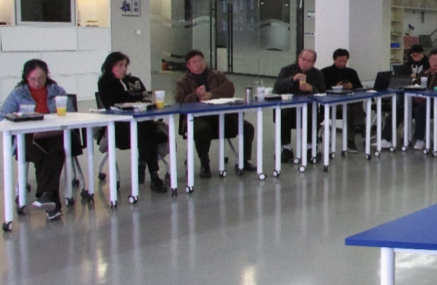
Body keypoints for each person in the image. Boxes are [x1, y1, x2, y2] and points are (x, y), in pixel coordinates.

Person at [1, 59, 73, 220]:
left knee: (56, 151)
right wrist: (18, 118)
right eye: (32, 79)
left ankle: (47, 198)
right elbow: (2, 117)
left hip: (54, 133)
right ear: (26, 77)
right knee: (44, 155)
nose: (37, 82)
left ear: (47, 75)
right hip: (28, 136)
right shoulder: (18, 93)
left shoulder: (57, 91)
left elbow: (71, 113)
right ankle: (50, 200)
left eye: (41, 78)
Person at [175, 50, 256, 178]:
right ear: (188, 66)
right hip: (198, 118)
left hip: (221, 116)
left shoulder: (218, 75)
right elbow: (180, 100)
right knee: (202, 129)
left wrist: (211, 94)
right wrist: (195, 95)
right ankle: (204, 163)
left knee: (247, 128)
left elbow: (229, 88)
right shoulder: (182, 82)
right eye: (194, 62)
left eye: (200, 60)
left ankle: (243, 161)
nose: (198, 64)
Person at [98, 51, 167, 192]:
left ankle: (142, 165)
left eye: (125, 65)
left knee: (146, 130)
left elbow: (145, 99)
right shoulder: (105, 83)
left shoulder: (134, 81)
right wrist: (132, 98)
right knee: (149, 133)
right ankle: (154, 176)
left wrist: (137, 100)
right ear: (110, 66)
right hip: (121, 129)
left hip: (142, 125)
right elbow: (112, 103)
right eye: (120, 65)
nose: (124, 69)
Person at [380, 49, 437, 151]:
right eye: (432, 59)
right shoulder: (424, 73)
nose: (435, 62)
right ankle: (386, 139)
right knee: (398, 109)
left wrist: (427, 94)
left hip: (435, 104)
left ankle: (419, 139)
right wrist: (415, 93)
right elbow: (415, 85)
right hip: (417, 101)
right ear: (429, 61)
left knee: (420, 110)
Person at [274, 49, 325, 159]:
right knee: (282, 113)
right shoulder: (286, 70)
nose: (305, 63)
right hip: (289, 108)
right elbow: (277, 87)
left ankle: (310, 147)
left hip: (308, 109)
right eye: (303, 59)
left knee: (312, 113)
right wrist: (292, 79)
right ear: (298, 58)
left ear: (313, 63)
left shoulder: (317, 74)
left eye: (309, 61)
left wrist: (312, 89)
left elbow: (323, 92)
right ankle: (286, 148)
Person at [321, 49, 364, 153]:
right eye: (340, 61)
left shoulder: (351, 72)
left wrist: (351, 86)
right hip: (332, 104)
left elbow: (360, 87)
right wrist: (335, 87)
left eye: (345, 61)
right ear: (334, 59)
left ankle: (352, 139)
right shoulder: (325, 72)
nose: (342, 63)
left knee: (352, 106)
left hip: (349, 103)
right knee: (351, 108)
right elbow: (321, 89)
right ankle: (360, 129)